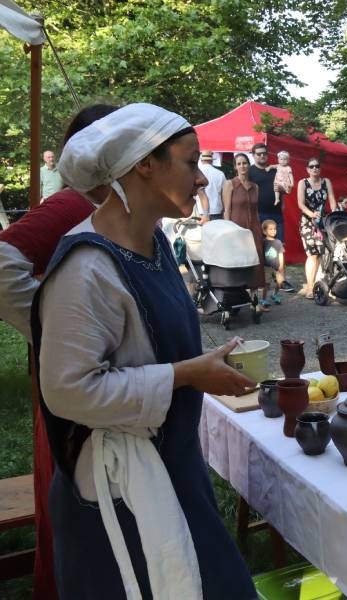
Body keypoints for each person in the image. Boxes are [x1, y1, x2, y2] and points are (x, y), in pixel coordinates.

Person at [36, 102, 256, 598]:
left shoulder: (153, 243)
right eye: (190, 161)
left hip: (173, 464)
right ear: (144, 164)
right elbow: (68, 393)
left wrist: (201, 368)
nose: (202, 179)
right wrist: (186, 375)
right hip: (121, 491)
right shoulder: (87, 268)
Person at [0, 103, 118, 600]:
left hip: (104, 388)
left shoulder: (113, 207)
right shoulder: (74, 206)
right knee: (76, 496)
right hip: (75, 387)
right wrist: (50, 323)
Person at [223, 152, 268, 311]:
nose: (242, 166)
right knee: (238, 262)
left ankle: (255, 299)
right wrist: (227, 232)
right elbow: (227, 210)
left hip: (254, 229)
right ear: (235, 167)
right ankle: (235, 297)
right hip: (236, 229)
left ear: (249, 165)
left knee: (255, 262)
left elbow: (256, 211)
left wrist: (260, 231)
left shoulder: (255, 187)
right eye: (239, 163)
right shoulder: (230, 184)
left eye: (245, 163)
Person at [298, 157, 336, 298]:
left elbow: (332, 200)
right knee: (312, 254)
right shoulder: (303, 183)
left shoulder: (326, 182)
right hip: (308, 222)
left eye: (317, 166)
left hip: (323, 222)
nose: (315, 168)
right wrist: (311, 214)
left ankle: (319, 285)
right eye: (312, 166)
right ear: (307, 169)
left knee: (323, 253)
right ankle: (309, 287)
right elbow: (300, 204)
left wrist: (336, 213)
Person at [196, 150, 226, 222]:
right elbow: (224, 195)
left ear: (201, 160)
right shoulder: (220, 174)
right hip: (217, 211)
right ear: (212, 161)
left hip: (201, 211)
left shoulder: (197, 173)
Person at [262, 219, 285, 305]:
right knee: (267, 284)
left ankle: (275, 294)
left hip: (277, 267)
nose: (273, 231)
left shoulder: (278, 242)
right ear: (264, 231)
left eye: (275, 229)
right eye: (270, 229)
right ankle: (263, 299)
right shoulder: (263, 242)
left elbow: (281, 254)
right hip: (267, 267)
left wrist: (281, 266)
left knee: (280, 282)